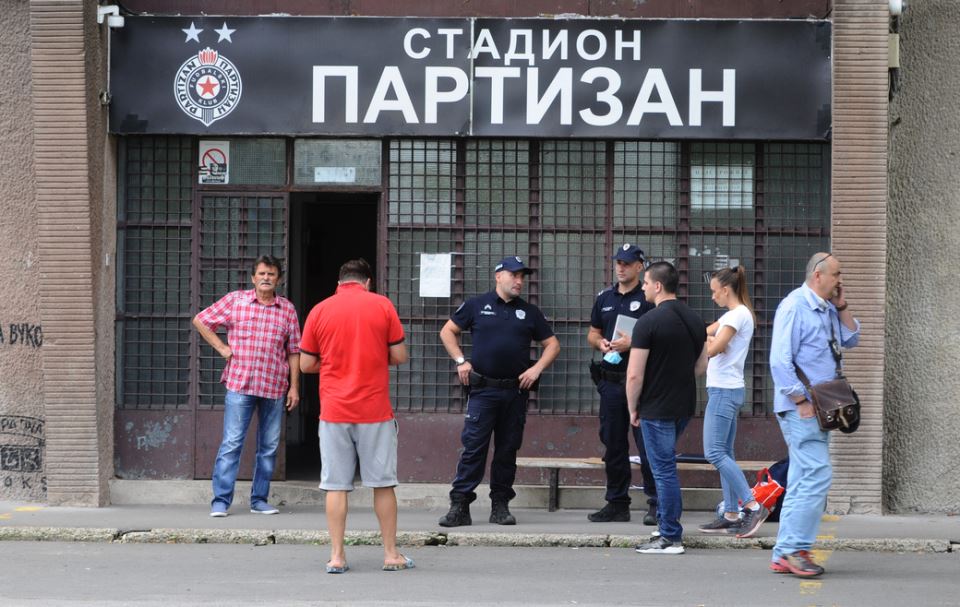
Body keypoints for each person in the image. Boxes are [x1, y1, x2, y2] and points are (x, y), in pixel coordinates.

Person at [298, 259, 413, 574]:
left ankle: (337, 557)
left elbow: (306, 364)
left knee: (335, 485)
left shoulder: (320, 310)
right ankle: (390, 554)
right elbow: (400, 355)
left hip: (335, 410)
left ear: (339, 283)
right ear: (368, 282)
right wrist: (374, 359)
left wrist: (335, 363)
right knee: (383, 484)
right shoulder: (382, 306)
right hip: (374, 409)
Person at [438, 256, 561, 527]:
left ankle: (500, 505)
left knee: (507, 450)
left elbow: (552, 344)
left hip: (515, 393)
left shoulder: (528, 312)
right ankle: (460, 505)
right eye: (514, 276)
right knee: (474, 449)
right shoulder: (476, 305)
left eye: (522, 277)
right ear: (498, 276)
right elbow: (447, 332)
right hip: (483, 391)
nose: (519, 281)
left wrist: (536, 369)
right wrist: (461, 361)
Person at [768, 252, 859, 577]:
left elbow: (852, 339)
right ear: (818, 276)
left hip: (822, 407)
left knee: (801, 479)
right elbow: (779, 361)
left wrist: (843, 306)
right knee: (817, 475)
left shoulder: (827, 308)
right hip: (802, 409)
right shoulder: (795, 306)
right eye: (836, 275)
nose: (840, 281)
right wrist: (800, 400)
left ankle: (784, 553)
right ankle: (795, 550)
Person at [193, 255, 301, 517]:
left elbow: (295, 350)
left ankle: (259, 500)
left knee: (269, 447)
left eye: (271, 274)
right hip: (240, 384)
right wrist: (221, 347)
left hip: (275, 386)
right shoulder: (235, 301)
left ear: (279, 280)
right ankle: (220, 501)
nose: (266, 278)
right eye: (262, 274)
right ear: (253, 278)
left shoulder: (287, 309)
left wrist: (294, 387)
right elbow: (201, 320)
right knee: (232, 443)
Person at [626, 261, 707, 555]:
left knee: (663, 470)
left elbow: (634, 374)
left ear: (658, 286)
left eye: (646, 283)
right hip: (683, 405)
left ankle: (671, 536)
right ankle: (664, 526)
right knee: (665, 466)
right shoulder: (696, 320)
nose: (643, 287)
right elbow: (701, 365)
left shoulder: (647, 322)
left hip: (655, 407)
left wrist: (632, 407)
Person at [586, 243, 658, 524]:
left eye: (627, 263)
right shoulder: (604, 297)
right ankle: (617, 502)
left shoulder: (650, 296)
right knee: (613, 444)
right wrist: (600, 343)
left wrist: (634, 343)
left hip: (643, 383)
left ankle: (655, 502)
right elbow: (592, 333)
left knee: (648, 444)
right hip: (612, 383)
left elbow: (662, 336)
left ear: (640, 267)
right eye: (618, 262)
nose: (621, 267)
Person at [697, 266, 768, 538]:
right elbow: (706, 334)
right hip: (725, 389)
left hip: (724, 391)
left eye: (714, 292)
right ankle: (730, 513)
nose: (712, 297)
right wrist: (710, 337)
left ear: (726, 290)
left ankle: (751, 505)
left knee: (713, 453)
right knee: (725, 452)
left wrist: (711, 340)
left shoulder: (737, 315)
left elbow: (713, 349)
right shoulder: (733, 315)